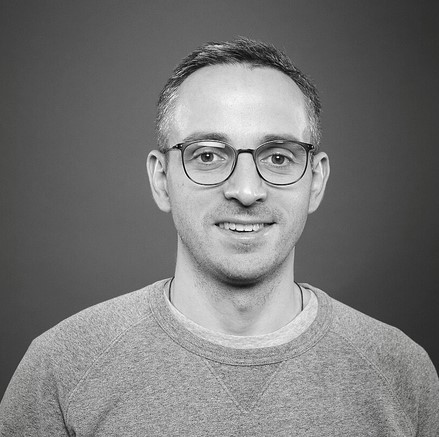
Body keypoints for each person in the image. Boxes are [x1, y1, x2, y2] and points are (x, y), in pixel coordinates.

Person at [1, 37, 438, 436]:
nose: (246, 190)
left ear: (316, 181)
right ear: (161, 180)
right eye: (208, 155)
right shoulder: (62, 369)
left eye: (278, 157)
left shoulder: (402, 374)